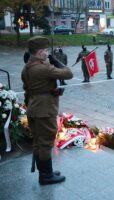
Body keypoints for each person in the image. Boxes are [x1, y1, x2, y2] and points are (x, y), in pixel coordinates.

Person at [21, 36, 73, 185]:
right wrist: (56, 61)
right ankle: (46, 176)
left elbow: (31, 89)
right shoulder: (43, 68)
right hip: (44, 110)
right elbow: (68, 74)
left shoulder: (27, 67)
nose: (46, 53)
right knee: (45, 143)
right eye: (45, 50)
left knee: (38, 141)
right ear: (38, 52)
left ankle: (44, 171)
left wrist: (51, 91)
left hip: (34, 107)